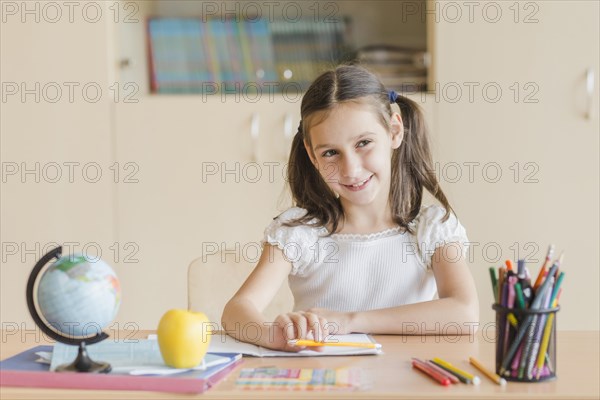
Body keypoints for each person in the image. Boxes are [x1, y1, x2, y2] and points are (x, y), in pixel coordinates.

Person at [222, 65, 479, 351]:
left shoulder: (433, 228)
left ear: (394, 131)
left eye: (364, 143)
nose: (351, 169)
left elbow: (464, 314)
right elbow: (236, 312)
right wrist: (272, 335)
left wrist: (350, 320)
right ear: (312, 155)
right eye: (331, 153)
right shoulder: (299, 233)